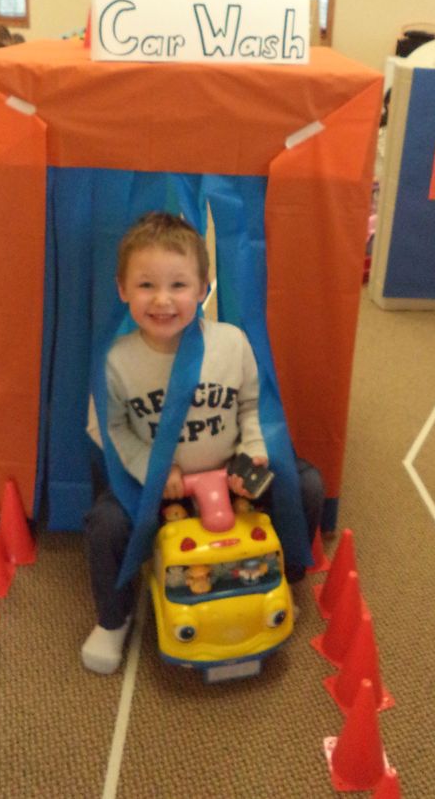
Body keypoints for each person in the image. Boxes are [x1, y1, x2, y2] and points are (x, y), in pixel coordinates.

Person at [82, 211, 323, 674]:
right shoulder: (117, 360)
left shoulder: (231, 343)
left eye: (178, 285)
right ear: (122, 290)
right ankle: (114, 619)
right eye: (146, 285)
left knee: (306, 485)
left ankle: (286, 580)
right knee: (105, 524)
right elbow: (106, 429)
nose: (163, 300)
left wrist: (253, 453)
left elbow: (254, 406)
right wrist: (153, 470)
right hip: (158, 483)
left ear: (204, 287)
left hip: (230, 473)